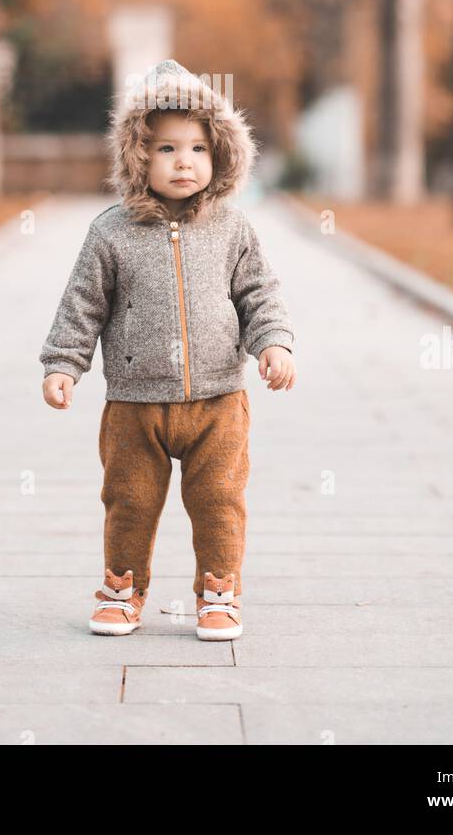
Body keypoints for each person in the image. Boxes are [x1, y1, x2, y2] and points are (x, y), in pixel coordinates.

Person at [39, 58, 296, 640]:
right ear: (137, 157)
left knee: (219, 501)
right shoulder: (110, 232)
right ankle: (122, 588)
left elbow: (260, 293)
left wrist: (274, 344)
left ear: (221, 156)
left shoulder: (233, 229)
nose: (185, 161)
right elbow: (83, 304)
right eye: (166, 150)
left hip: (218, 401)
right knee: (128, 501)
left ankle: (219, 591)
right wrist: (63, 364)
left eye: (199, 149)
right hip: (134, 404)